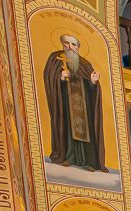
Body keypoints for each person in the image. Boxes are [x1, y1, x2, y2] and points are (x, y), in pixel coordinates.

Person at [42, 34, 107, 172]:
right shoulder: (56, 58)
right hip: (66, 102)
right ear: (62, 44)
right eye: (67, 43)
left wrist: (93, 82)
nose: (70, 47)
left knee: (87, 131)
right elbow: (49, 77)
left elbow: (92, 88)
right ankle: (68, 157)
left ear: (78, 47)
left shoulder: (85, 64)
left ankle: (89, 161)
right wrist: (60, 77)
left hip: (84, 105)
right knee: (67, 128)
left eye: (73, 44)